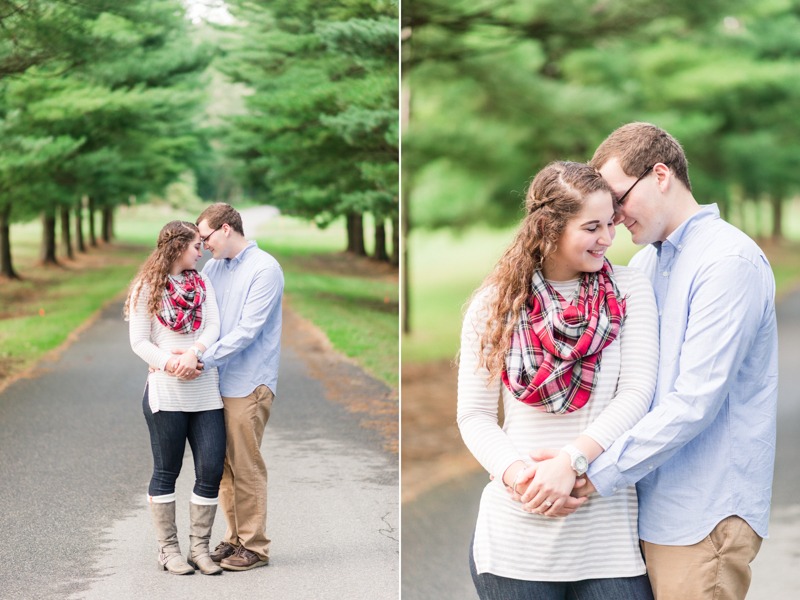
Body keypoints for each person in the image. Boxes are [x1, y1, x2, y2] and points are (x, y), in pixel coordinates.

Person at [550, 123, 777, 600]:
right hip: (645, 507)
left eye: (617, 199)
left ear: (660, 175)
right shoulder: (647, 265)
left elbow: (694, 402)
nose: (611, 219)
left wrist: (589, 472)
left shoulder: (727, 261)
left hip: (700, 515)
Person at [457, 161, 659, 599]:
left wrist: (571, 462)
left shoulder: (630, 289)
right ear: (548, 227)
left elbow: (637, 394)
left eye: (610, 223)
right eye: (592, 227)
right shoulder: (495, 303)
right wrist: (521, 478)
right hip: (515, 540)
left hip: (607, 540)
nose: (607, 237)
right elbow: (474, 416)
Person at [171, 203, 284, 571]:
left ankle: (255, 546)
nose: (201, 245)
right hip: (214, 382)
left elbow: (248, 331)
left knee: (245, 464)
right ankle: (235, 538)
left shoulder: (265, 269)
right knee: (219, 466)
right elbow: (203, 318)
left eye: (204, 237)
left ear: (225, 229)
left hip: (248, 381)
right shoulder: (212, 267)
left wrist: (200, 358)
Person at [126, 220, 225, 576]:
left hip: (205, 391)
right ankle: (168, 550)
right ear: (177, 247)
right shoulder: (146, 287)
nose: (201, 252)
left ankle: (199, 548)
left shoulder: (202, 283)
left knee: (211, 469)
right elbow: (140, 342)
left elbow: (213, 326)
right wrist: (172, 363)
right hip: (165, 393)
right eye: (196, 246)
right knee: (167, 471)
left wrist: (193, 352)